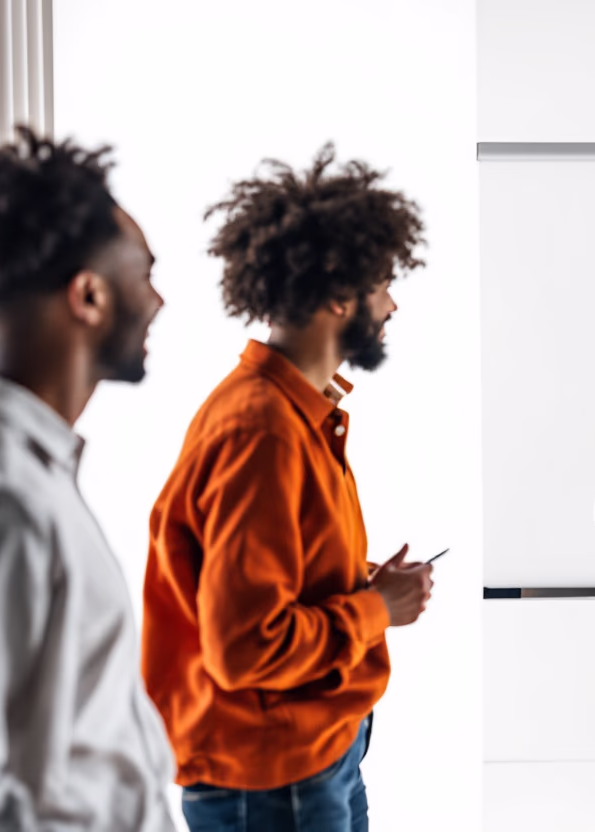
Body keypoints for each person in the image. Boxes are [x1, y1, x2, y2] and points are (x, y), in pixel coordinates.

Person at [142, 145, 433, 832]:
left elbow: (265, 581)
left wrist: (354, 580)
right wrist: (376, 610)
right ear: (339, 295)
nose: (391, 305)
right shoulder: (262, 430)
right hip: (274, 779)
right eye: (383, 283)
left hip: (314, 754)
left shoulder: (292, 412)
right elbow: (246, 647)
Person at [0, 127, 175, 830]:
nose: (158, 301)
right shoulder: (3, 499)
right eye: (144, 274)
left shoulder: (37, 477)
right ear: (89, 297)